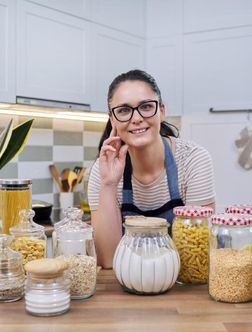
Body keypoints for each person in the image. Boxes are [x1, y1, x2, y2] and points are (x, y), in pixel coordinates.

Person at [88, 69, 216, 268]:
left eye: (146, 106)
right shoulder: (103, 169)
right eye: (123, 110)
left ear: (161, 111)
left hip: (183, 284)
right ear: (112, 119)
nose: (136, 118)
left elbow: (196, 253)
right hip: (127, 282)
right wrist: (109, 183)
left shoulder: (193, 160)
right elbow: (108, 259)